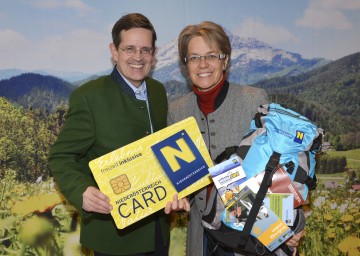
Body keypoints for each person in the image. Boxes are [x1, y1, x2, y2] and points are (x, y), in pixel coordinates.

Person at [49, 13, 189, 256]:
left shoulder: (157, 91)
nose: (138, 57)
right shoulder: (89, 96)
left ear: (154, 55)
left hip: (158, 232)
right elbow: (60, 157)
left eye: (145, 50)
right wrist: (81, 191)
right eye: (129, 49)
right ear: (114, 51)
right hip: (114, 238)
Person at [168, 21, 304, 256]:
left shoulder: (253, 99)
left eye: (211, 55)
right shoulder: (177, 110)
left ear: (226, 60)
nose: (202, 64)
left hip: (251, 231)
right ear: (185, 64)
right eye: (194, 57)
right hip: (202, 238)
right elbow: (178, 178)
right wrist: (175, 196)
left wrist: (293, 222)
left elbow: (279, 164)